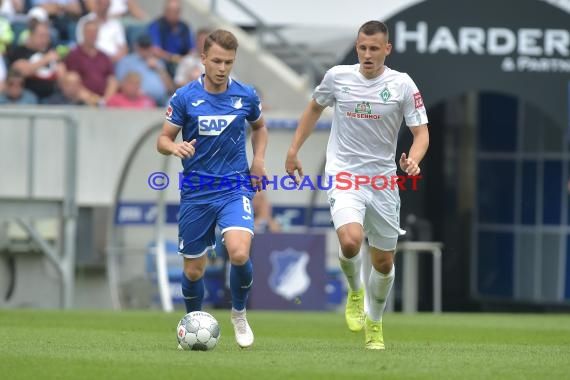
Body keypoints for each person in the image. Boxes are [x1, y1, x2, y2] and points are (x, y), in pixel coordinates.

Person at [285, 20, 429, 350]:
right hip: (345, 174)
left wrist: (414, 160)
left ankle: (374, 323)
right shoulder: (338, 77)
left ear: (386, 49)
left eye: (374, 49)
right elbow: (314, 107)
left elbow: (421, 133)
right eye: (362, 48)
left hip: (382, 180)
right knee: (350, 242)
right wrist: (293, 150)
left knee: (383, 263)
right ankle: (355, 292)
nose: (366, 54)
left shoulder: (403, 85)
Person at [156, 29, 267, 349]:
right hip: (196, 192)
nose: (222, 67)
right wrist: (174, 148)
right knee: (193, 270)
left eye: (228, 62)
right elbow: (163, 139)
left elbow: (260, 127)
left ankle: (239, 313)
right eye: (216, 61)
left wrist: (258, 159)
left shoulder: (245, 95)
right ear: (203, 59)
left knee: (239, 251)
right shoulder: (184, 97)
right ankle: (193, 322)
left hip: (234, 187)